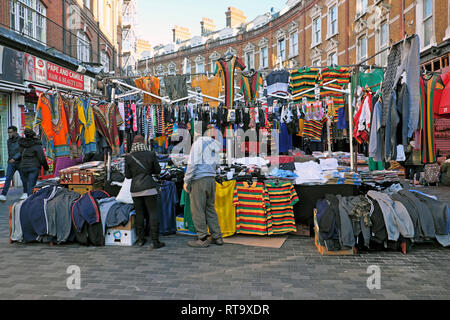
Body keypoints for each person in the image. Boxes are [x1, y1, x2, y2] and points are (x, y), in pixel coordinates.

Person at [183, 130, 223, 248]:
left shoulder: (198, 144)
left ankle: (202, 238)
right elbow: (217, 165)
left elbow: (192, 164)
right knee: (210, 208)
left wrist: (186, 181)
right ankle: (217, 236)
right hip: (211, 180)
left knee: (197, 209)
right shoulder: (215, 145)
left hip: (199, 180)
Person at [125, 135, 164, 248]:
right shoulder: (150, 154)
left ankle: (141, 240)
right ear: (143, 143)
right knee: (153, 213)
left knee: (139, 214)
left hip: (135, 190)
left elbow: (128, 176)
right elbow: (158, 170)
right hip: (149, 188)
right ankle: (155, 241)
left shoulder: (128, 157)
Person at [18, 128, 49, 198]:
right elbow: (41, 157)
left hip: (23, 167)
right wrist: (46, 167)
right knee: (31, 186)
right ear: (34, 135)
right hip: (33, 167)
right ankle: (30, 202)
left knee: (27, 184)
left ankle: (27, 200)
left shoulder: (22, 144)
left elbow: (19, 154)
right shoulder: (37, 145)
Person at [0, 126, 24, 202]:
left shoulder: (20, 140)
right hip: (11, 163)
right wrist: (10, 159)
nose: (9, 134)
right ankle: (3, 194)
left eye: (10, 132)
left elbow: (21, 151)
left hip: (19, 162)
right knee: (8, 178)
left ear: (15, 132)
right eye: (8, 132)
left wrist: (15, 158)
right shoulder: (8, 141)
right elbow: (9, 151)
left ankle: (26, 192)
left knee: (23, 178)